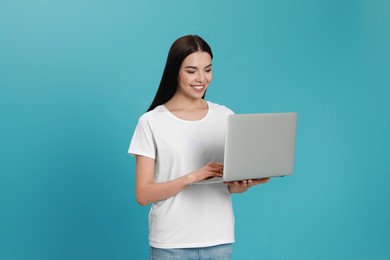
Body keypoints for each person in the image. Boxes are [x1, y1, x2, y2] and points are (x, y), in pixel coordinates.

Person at [128, 35, 269, 260]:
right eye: (191, 71)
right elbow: (143, 194)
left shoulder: (226, 116)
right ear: (175, 71)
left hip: (218, 239)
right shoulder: (151, 122)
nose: (201, 79)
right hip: (171, 242)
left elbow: (227, 185)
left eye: (208, 69)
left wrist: (241, 185)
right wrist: (192, 177)